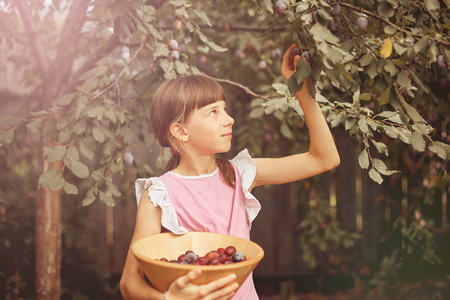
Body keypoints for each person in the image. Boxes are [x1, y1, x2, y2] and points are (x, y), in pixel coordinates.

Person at [120, 43, 340, 300]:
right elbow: (129, 284)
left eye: (224, 108)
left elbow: (324, 158)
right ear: (181, 131)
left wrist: (303, 91)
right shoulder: (159, 194)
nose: (229, 119)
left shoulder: (240, 174)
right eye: (213, 112)